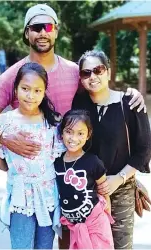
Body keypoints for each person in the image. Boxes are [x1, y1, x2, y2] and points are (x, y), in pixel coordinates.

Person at [0, 3, 146, 160]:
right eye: (36, 28)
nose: (43, 32)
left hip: (71, 167)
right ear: (27, 33)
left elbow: (100, 94)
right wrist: (5, 139)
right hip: (33, 168)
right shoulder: (12, 76)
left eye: (48, 27)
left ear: (56, 32)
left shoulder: (74, 71)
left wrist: (129, 95)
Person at [66, 50, 151, 249]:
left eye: (98, 70)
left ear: (109, 72)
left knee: (120, 245)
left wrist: (119, 178)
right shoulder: (79, 104)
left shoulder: (129, 103)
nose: (92, 76)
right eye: (86, 73)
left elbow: (144, 149)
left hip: (120, 187)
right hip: (87, 190)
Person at [0, 62, 66, 249]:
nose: (31, 96)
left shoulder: (52, 122)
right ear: (16, 89)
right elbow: (5, 165)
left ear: (45, 91)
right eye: (25, 89)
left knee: (44, 246)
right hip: (21, 198)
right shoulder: (4, 122)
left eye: (38, 90)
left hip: (48, 198)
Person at [54, 109, 114, 249]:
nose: (74, 138)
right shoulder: (56, 162)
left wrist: (106, 217)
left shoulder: (93, 162)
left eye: (80, 133)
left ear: (88, 135)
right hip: (71, 226)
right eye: (69, 131)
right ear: (61, 133)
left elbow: (104, 191)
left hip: (95, 223)